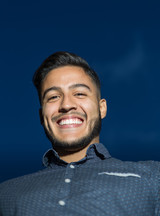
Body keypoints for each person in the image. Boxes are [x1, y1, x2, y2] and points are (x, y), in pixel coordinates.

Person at [0, 51, 159, 216]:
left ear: (101, 108)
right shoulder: (5, 193)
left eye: (80, 94)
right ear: (42, 116)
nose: (67, 104)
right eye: (53, 97)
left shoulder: (152, 177)